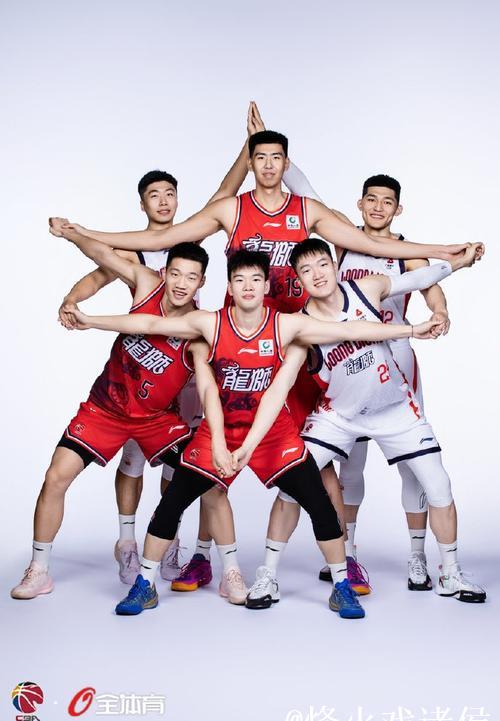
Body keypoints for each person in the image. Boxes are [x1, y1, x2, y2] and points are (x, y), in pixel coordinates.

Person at [66, 247, 440, 618]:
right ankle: (145, 583)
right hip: (220, 428)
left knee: (318, 501)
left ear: (265, 286)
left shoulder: (285, 325)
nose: (248, 286)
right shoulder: (210, 323)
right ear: (229, 287)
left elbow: (349, 330)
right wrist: (89, 320)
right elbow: (150, 326)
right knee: (173, 501)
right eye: (240, 280)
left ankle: (342, 586)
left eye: (256, 279)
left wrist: (412, 329)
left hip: (270, 431)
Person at [57, 105, 262, 587]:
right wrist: (72, 299)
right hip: (143, 360)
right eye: (155, 195)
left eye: (170, 194)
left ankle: (172, 544)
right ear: (142, 204)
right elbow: (97, 274)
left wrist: (249, 148)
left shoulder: (187, 235)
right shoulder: (134, 249)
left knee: (184, 453)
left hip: (188, 359)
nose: (164, 201)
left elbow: (225, 193)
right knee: (131, 456)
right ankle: (129, 542)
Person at [239, 238, 485, 609]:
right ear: (298, 281)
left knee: (438, 485)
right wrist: (249, 442)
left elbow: (417, 279)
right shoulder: (303, 327)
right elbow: (281, 386)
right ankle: (267, 576)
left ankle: (450, 572)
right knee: (292, 485)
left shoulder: (366, 288)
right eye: (306, 271)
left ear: (334, 265)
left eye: (322, 265)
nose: (317, 275)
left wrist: (460, 263)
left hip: (395, 409)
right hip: (339, 416)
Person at [10, 239, 241, 600]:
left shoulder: (198, 328)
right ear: (164, 273)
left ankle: (230, 572)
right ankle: (38, 569)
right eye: (176, 274)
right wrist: (75, 234)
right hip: (104, 410)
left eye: (191, 277)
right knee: (55, 477)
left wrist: (220, 442)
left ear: (202, 282)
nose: (181, 283)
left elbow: (208, 387)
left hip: (156, 419)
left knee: (209, 482)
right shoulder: (146, 285)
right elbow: (103, 255)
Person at [280, 166, 453, 592]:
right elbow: (307, 191)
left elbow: (430, 286)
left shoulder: (406, 251)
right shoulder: (342, 239)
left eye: (387, 201)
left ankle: (417, 558)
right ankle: (348, 553)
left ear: (398, 209)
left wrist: (441, 312)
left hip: (395, 356)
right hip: (346, 361)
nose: (378, 207)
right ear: (360, 204)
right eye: (371, 200)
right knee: (349, 462)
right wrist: (279, 156)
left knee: (414, 465)